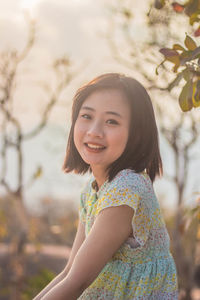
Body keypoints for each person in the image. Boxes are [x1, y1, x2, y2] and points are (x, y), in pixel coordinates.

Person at [34, 73, 178, 299]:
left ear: (137, 133)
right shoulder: (92, 192)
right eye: (86, 116)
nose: (94, 131)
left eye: (112, 121)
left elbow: (77, 282)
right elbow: (69, 272)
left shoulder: (127, 188)